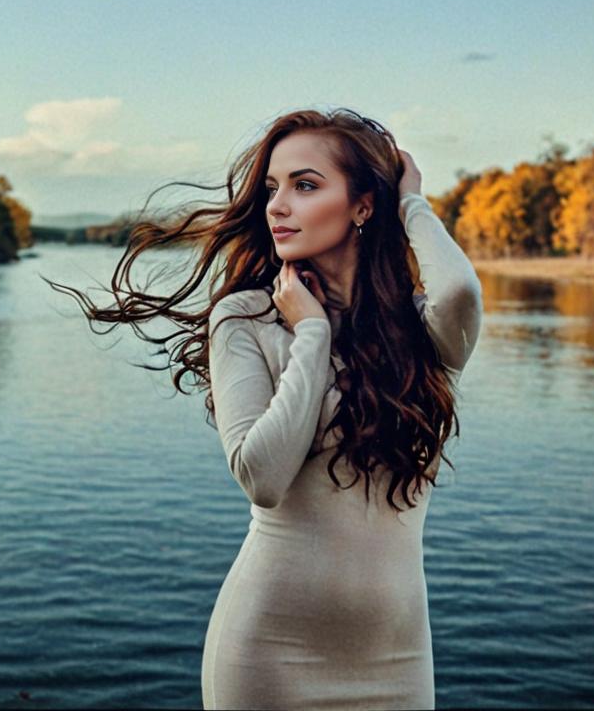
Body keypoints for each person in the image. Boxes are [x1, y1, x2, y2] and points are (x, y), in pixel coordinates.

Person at [42, 106, 483, 710]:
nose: (277, 205)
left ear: (363, 205)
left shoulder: (420, 332)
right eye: (272, 188)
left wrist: (413, 203)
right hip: (270, 654)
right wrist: (312, 338)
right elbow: (262, 477)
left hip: (399, 659)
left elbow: (459, 289)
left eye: (305, 186)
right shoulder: (245, 318)